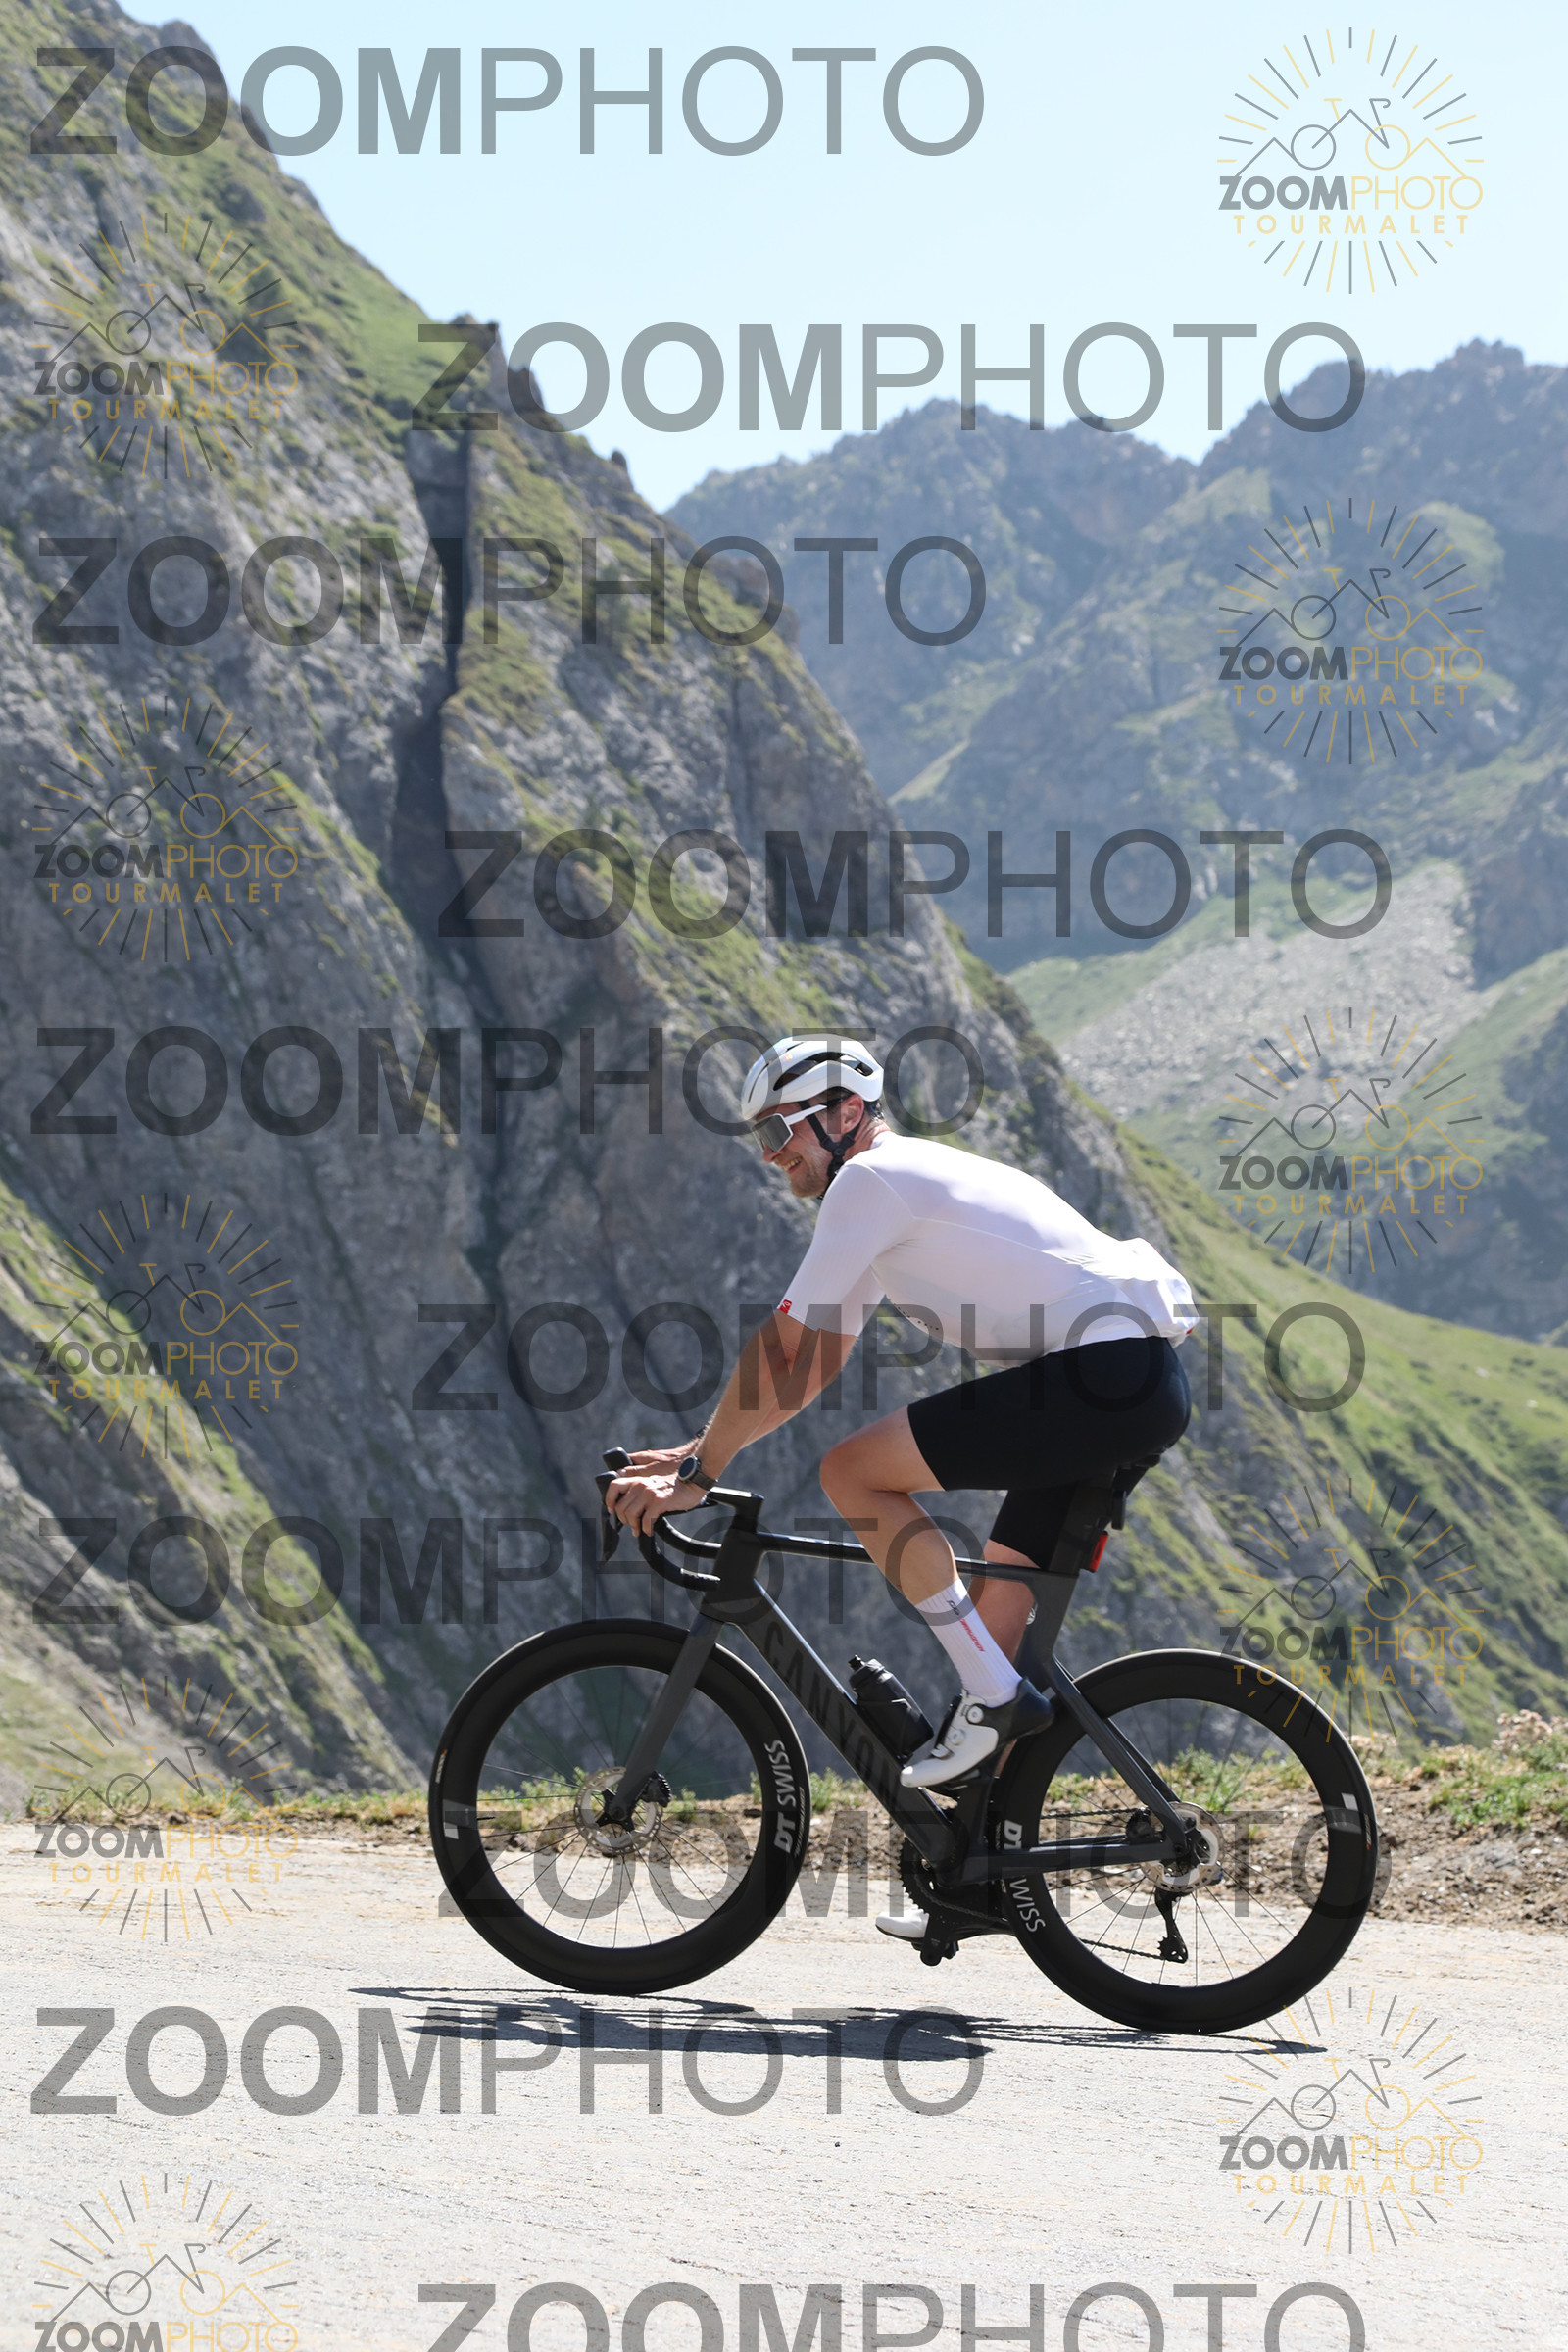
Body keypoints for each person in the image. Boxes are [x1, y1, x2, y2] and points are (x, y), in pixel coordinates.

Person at [605, 1033, 1198, 1939]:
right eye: (761, 1136)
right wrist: (699, 1451)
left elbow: (780, 1345)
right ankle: (980, 1877)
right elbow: (809, 1368)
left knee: (852, 1473)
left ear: (847, 1113)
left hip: (1104, 1376)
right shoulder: (884, 1204)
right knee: (997, 1628)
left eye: (781, 1130)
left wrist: (701, 1475)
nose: (771, 1154)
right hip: (1125, 1383)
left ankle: (993, 1703)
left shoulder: (870, 1184)